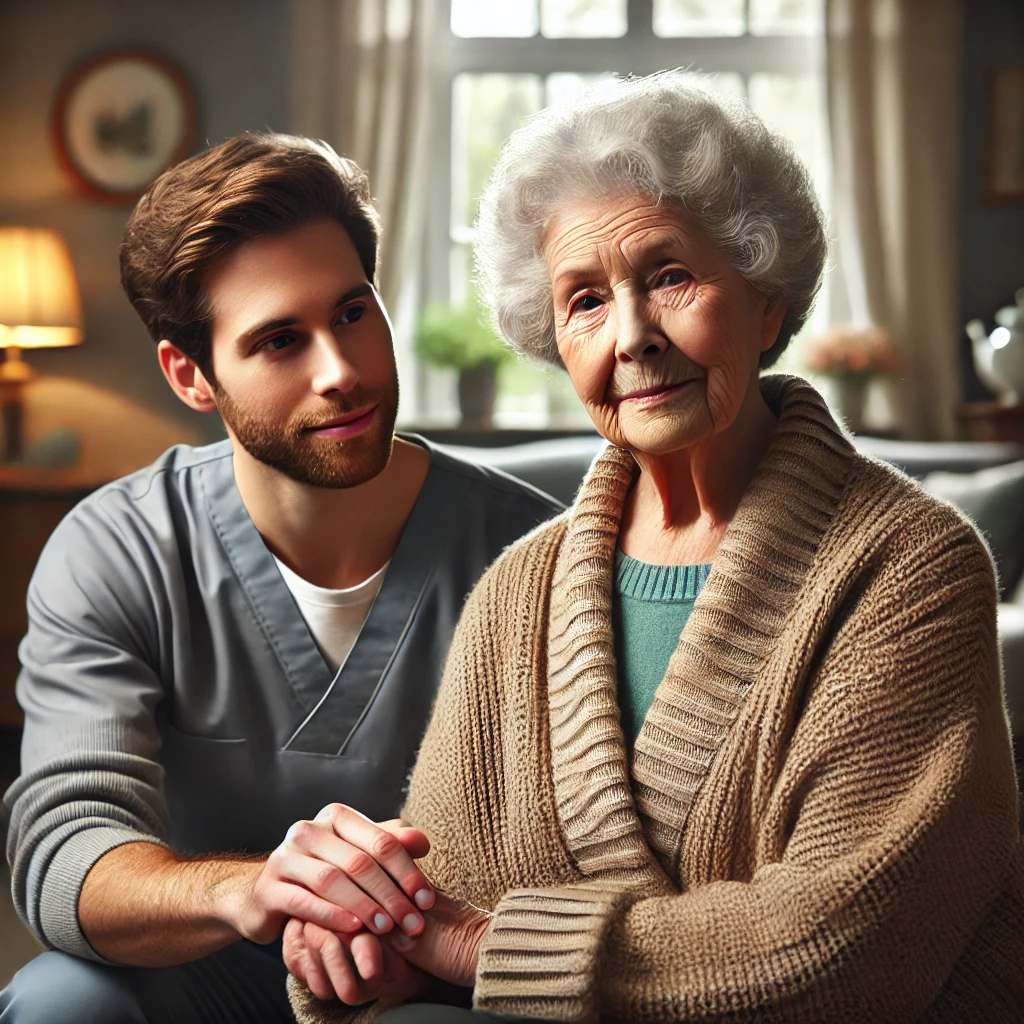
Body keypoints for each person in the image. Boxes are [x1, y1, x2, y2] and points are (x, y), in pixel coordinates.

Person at [282, 74, 1024, 1023]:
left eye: (670, 276)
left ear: (766, 302)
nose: (632, 337)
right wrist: (371, 935)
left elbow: (846, 948)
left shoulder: (910, 568)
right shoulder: (518, 591)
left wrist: (473, 947)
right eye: (584, 300)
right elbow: (445, 888)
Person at [0, 133, 562, 1023]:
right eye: (277, 341)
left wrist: (421, 951)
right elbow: (67, 853)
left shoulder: (534, 547)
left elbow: (586, 854)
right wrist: (259, 890)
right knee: (62, 1003)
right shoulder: (116, 550)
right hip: (207, 963)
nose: (341, 373)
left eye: (351, 313)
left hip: (435, 977)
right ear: (191, 374)